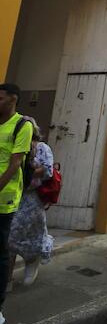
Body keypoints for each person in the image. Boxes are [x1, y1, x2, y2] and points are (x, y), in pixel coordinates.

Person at [0, 83, 33, 324]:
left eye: (1, 98)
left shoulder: (23, 125)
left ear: (13, 98)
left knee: (1, 251)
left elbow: (15, 164)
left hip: (5, 197)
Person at [8, 118, 54, 287]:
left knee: (32, 233)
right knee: (9, 236)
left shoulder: (42, 148)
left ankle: (31, 261)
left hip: (31, 198)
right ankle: (6, 278)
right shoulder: (12, 146)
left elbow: (48, 171)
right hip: (13, 196)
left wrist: (26, 172)